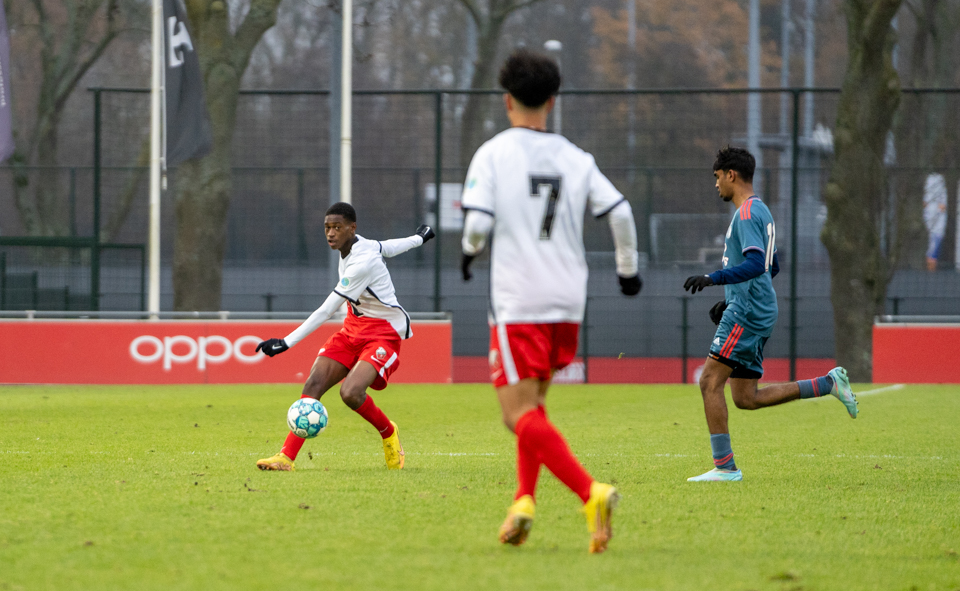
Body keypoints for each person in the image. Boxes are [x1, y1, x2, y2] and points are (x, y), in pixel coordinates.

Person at [460, 48, 643, 554]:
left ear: (506, 100)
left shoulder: (494, 152)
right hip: (568, 298)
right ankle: (522, 502)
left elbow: (475, 225)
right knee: (535, 406)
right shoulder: (576, 157)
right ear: (553, 100)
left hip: (519, 297)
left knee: (513, 414)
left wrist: (470, 253)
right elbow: (621, 213)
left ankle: (592, 492)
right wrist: (627, 271)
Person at [682, 146, 859, 483]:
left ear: (731, 175)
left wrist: (714, 280)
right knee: (745, 398)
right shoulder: (760, 210)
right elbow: (770, 266)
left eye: (717, 177)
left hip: (748, 312)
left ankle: (725, 468)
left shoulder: (746, 214)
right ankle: (828, 383)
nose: (716, 184)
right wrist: (734, 297)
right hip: (753, 308)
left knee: (708, 382)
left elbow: (753, 264)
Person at [254, 202, 434, 472]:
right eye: (327, 227)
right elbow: (390, 246)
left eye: (337, 227)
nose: (331, 233)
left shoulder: (362, 262)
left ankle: (388, 433)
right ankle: (286, 458)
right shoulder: (362, 244)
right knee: (313, 385)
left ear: (352, 228)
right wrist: (420, 238)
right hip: (353, 328)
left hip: (383, 333)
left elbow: (327, 310)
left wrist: (286, 342)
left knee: (350, 393)